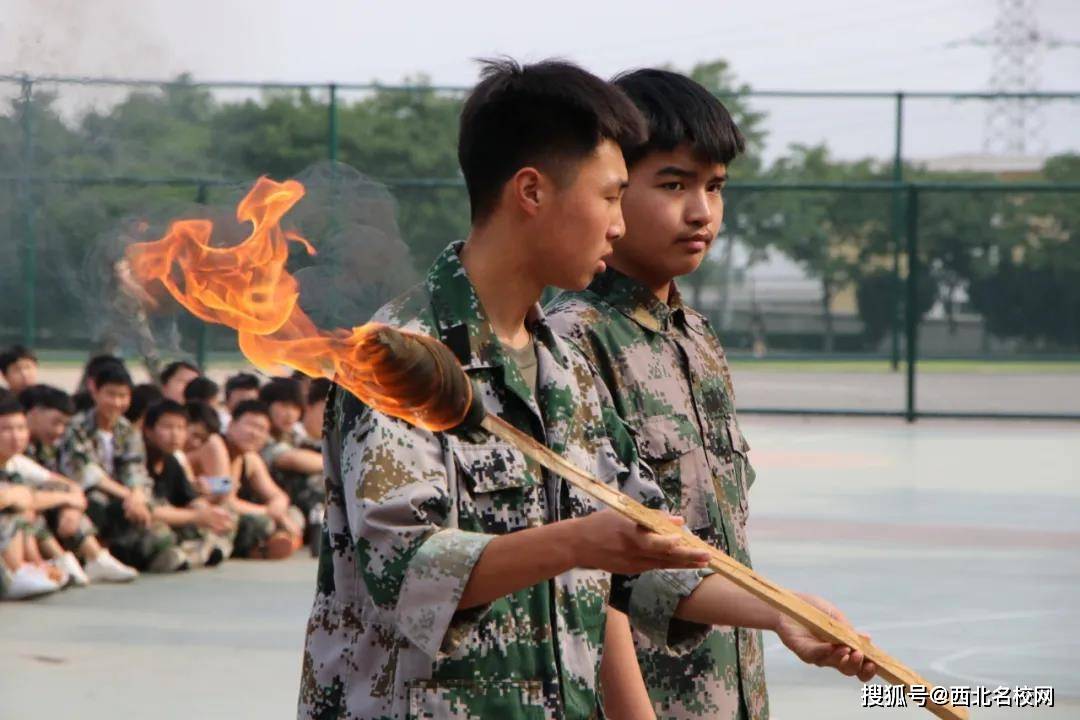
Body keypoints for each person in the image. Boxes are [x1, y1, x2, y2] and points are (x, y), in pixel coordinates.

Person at [298, 59, 874, 720]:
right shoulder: (402, 360)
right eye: (608, 196)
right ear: (532, 192)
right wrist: (578, 542)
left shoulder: (562, 367)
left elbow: (644, 547)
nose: (620, 224)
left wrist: (780, 613)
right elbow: (406, 571)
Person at [547, 68, 875, 720]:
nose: (701, 211)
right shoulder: (570, 343)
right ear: (612, 187)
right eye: (673, 184)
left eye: (715, 187)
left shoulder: (697, 337)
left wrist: (780, 616)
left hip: (731, 693)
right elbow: (592, 575)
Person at [59, 362, 187, 573]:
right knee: (98, 503)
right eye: (110, 394)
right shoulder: (78, 426)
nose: (117, 402)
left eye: (123, 396)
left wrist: (136, 494)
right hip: (91, 494)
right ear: (96, 393)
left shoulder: (127, 430)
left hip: (124, 498)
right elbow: (87, 473)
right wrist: (128, 496)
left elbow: (134, 467)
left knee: (156, 521)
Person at [0, 394, 137, 585]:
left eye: (21, 428)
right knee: (17, 512)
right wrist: (60, 498)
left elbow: (67, 485)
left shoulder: (17, 462)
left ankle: (93, 558)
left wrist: (70, 506)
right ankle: (21, 571)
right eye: (6, 429)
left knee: (55, 502)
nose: (16, 436)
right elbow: (18, 499)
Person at [143, 400, 234, 567]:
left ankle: (188, 554)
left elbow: (226, 484)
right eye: (168, 427)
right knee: (161, 535)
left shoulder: (174, 458)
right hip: (152, 521)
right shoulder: (141, 459)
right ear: (148, 431)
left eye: (180, 428)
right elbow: (148, 509)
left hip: (180, 513)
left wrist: (209, 512)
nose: (176, 435)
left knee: (225, 518)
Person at [222, 400, 302, 559]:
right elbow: (226, 501)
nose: (254, 433)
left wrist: (278, 511)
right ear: (231, 424)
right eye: (250, 425)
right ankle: (268, 545)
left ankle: (276, 542)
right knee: (263, 523)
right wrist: (269, 512)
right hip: (224, 514)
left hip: (253, 511)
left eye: (262, 430)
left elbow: (277, 495)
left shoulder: (250, 458)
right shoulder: (218, 448)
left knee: (294, 514)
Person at [257, 378, 324, 543]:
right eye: (283, 406)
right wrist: (338, 463)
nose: (290, 414)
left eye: (295, 408)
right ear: (267, 405)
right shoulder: (261, 436)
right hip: (266, 502)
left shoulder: (293, 436)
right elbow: (289, 459)